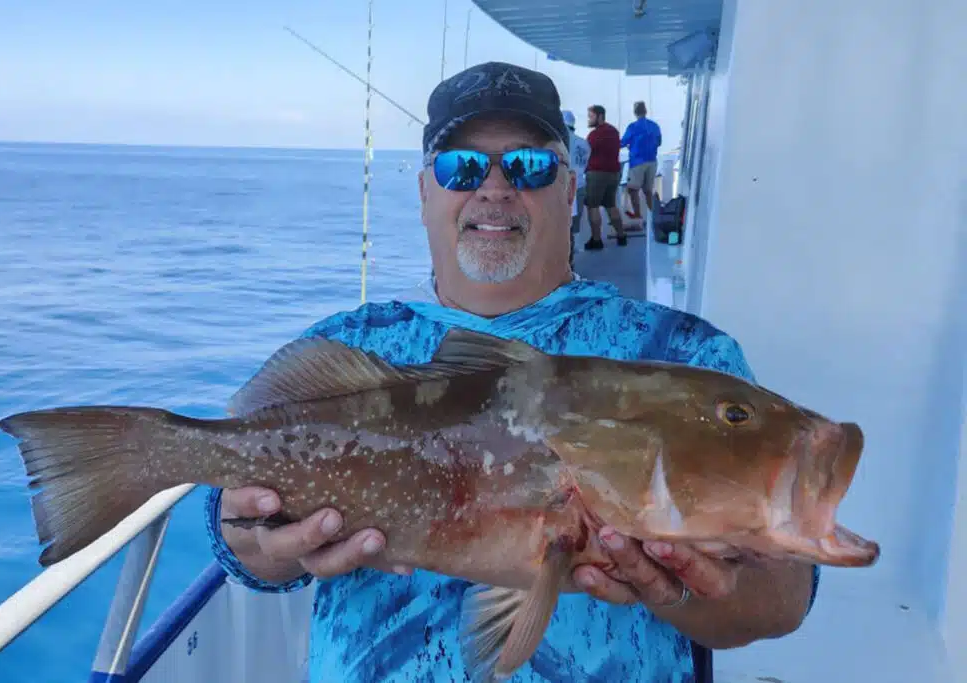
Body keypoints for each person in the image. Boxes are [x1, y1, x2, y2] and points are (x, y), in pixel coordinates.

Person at [205, 61, 820, 683]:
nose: (494, 188)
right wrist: (258, 544)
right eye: (461, 167)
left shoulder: (686, 356)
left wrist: (699, 584)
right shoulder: (346, 345)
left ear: (571, 188)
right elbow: (240, 541)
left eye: (529, 165)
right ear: (425, 195)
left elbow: (783, 599)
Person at [583, 104, 627, 250]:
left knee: (593, 206)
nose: (589, 120)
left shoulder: (594, 135)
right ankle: (621, 236)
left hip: (596, 174)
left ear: (600, 116)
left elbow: (586, 153)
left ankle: (596, 240)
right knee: (611, 205)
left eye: (591, 116)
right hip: (614, 173)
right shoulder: (614, 131)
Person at [620, 100, 662, 218]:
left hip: (637, 162)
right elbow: (659, 142)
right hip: (652, 161)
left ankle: (637, 214)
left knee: (632, 190)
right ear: (645, 111)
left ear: (635, 112)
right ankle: (654, 215)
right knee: (648, 191)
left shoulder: (632, 127)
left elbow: (622, 143)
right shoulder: (654, 126)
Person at [562, 109, 590, 267]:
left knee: (560, 228)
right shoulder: (584, 143)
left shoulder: (560, 140)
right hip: (579, 187)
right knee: (571, 229)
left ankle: (564, 265)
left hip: (562, 188)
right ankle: (570, 263)